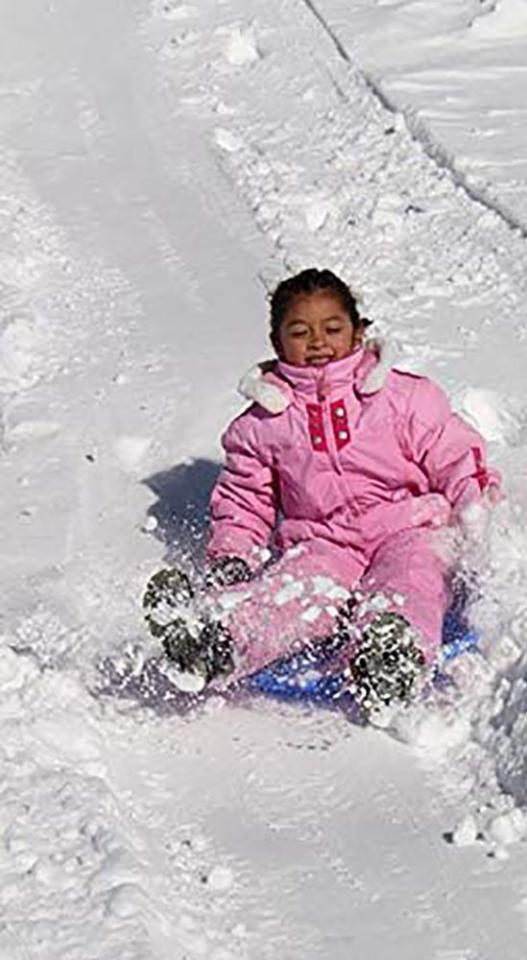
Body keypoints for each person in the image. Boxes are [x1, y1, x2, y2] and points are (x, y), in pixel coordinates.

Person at [143, 267, 499, 716]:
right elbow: (245, 500)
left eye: (332, 329)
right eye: (300, 331)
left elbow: (453, 453)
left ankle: (390, 657)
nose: (317, 342)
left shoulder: (401, 397)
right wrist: (233, 555)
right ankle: (215, 638)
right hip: (323, 542)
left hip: (408, 528)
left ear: (357, 333)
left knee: (410, 583)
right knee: (300, 594)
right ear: (276, 343)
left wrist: (472, 506)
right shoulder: (263, 423)